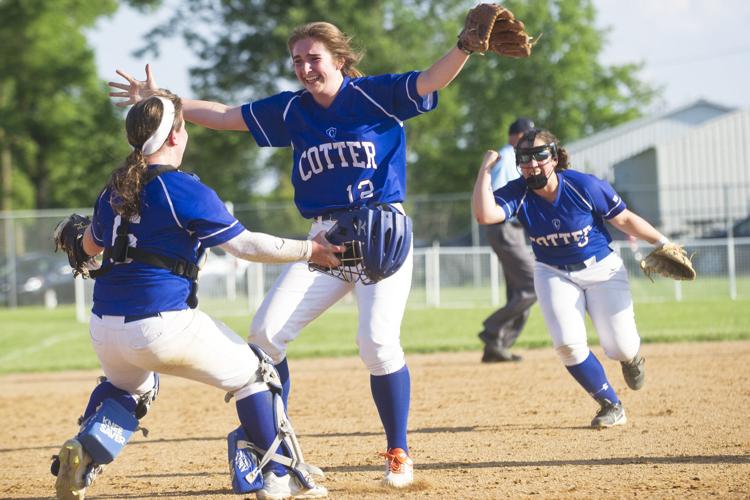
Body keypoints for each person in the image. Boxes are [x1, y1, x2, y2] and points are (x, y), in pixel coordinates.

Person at [108, 15, 491, 487]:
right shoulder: (293, 111)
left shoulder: (375, 94)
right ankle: (280, 451)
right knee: (265, 335)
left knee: (376, 343)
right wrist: (164, 103)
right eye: (297, 60)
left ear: (340, 60)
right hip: (323, 239)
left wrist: (464, 47)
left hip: (381, 234)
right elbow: (228, 116)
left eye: (314, 58)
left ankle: (398, 451)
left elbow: (432, 79)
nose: (305, 68)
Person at [52, 91, 344, 500]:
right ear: (174, 137)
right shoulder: (181, 189)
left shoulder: (113, 191)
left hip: (106, 330)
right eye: (182, 125)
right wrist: (310, 249)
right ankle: (277, 475)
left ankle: (86, 451)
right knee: (258, 373)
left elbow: (86, 249)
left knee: (131, 390)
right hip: (161, 325)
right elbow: (246, 247)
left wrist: (76, 241)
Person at [472, 128, 659, 429]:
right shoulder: (518, 190)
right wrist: (484, 170)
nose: (532, 165)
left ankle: (631, 357)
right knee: (567, 345)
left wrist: (662, 242)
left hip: (601, 270)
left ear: (554, 157)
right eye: (524, 159)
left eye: (539, 157)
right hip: (553, 271)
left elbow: (623, 219)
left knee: (620, 347)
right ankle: (610, 404)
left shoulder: (583, 185)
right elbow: (485, 215)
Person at [478, 117, 537, 363]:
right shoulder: (507, 157)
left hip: (512, 230)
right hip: (503, 227)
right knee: (533, 285)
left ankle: (497, 346)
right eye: (527, 136)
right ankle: (492, 328)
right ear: (516, 136)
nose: (531, 140)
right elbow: (502, 196)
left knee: (518, 290)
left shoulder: (518, 158)